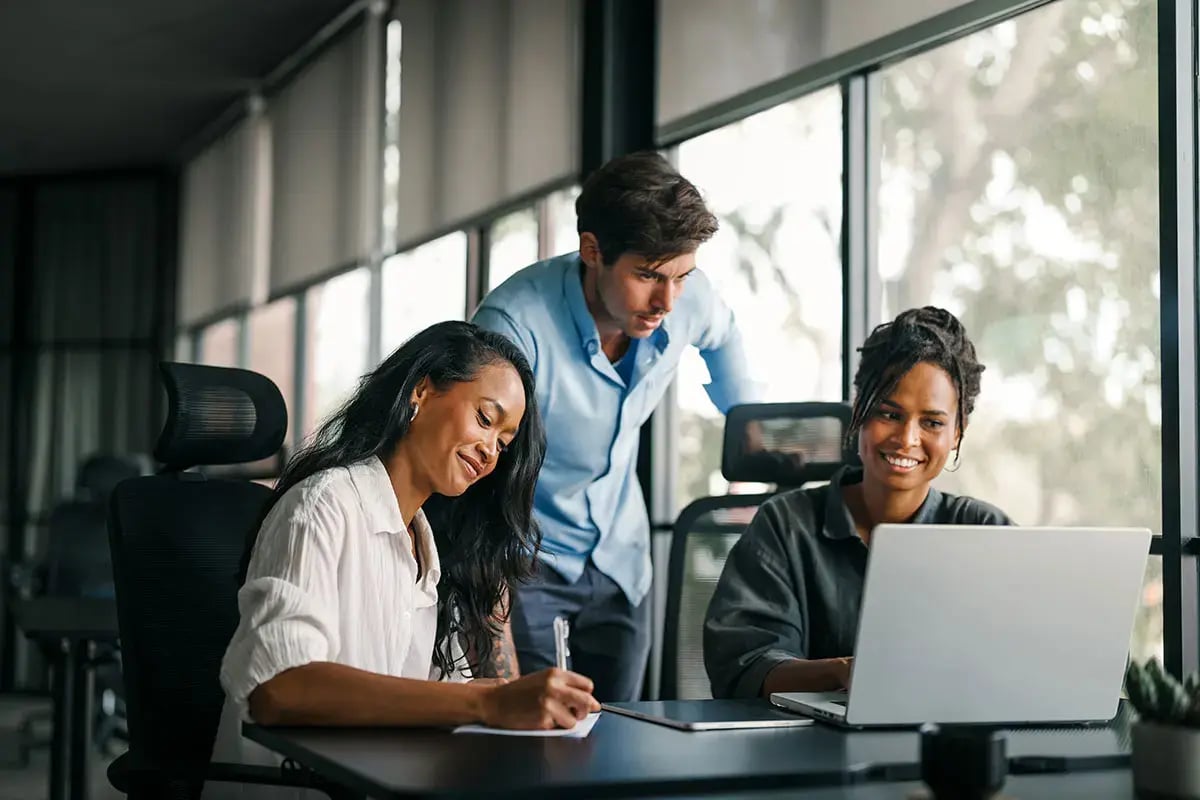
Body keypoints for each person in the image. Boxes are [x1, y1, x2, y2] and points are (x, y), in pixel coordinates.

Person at [209, 322, 599, 798]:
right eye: (484, 418)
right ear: (421, 391)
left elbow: (434, 705)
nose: (490, 452)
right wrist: (487, 701)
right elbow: (279, 687)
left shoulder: (425, 547)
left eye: (503, 442)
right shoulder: (322, 506)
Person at [472, 151, 761, 702]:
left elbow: (723, 337)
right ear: (592, 251)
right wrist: (490, 607)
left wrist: (745, 431)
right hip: (527, 562)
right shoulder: (513, 324)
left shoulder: (683, 298)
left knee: (618, 739)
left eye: (681, 277)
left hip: (622, 561)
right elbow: (479, 471)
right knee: (538, 755)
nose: (666, 302)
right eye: (648, 276)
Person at [703, 306, 1015, 700]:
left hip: (945, 749)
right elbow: (743, 668)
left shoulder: (985, 532)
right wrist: (846, 673)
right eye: (889, 413)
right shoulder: (785, 525)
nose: (907, 439)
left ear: (958, 432)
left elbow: (1021, 656)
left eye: (932, 422)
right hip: (808, 751)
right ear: (860, 412)